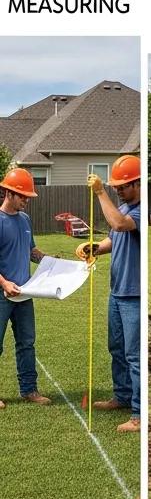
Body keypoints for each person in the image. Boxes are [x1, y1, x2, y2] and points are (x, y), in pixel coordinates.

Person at [76, 155, 142, 433]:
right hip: (117, 292)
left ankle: (139, 415)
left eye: (123, 186)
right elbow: (114, 238)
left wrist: (101, 192)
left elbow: (119, 225)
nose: (118, 189)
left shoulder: (140, 211)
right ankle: (123, 397)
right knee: (116, 349)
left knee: (134, 355)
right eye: (115, 186)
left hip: (134, 294)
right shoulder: (126, 206)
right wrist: (95, 248)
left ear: (138, 184)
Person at [0, 168, 52, 409]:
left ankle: (29, 390)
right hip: (2, 295)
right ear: (9, 193)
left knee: (26, 343)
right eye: (23, 196)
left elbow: (31, 251)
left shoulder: (25, 220)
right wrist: (4, 282)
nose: (27, 201)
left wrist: (54, 263)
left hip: (25, 293)